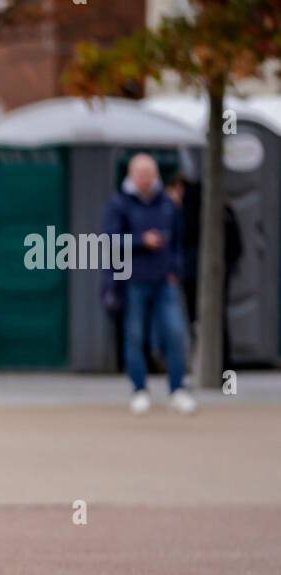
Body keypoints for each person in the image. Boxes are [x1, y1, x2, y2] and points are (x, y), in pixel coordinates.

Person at [102, 153, 195, 416]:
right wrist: (142, 241)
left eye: (149, 174)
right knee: (135, 336)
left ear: (155, 175)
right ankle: (139, 390)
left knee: (175, 334)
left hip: (164, 280)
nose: (144, 179)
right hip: (133, 280)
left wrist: (175, 270)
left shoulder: (168, 203)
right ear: (131, 176)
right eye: (139, 174)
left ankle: (178, 390)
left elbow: (178, 241)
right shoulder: (119, 204)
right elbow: (110, 241)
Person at [168, 173, 244, 370]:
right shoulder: (220, 204)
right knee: (218, 319)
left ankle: (208, 365)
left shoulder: (189, 211)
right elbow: (237, 244)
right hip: (221, 271)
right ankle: (222, 365)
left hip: (194, 274)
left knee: (198, 319)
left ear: (178, 187)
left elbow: (182, 238)